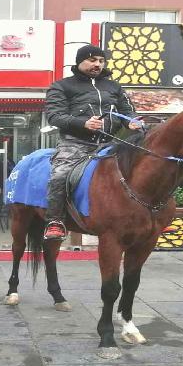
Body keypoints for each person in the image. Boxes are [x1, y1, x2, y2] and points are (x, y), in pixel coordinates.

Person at [43, 44, 139, 240]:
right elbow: (54, 116)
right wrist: (82, 123)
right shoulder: (61, 86)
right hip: (75, 144)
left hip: (110, 144)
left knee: (143, 169)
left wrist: (131, 122)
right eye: (92, 60)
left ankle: (148, 217)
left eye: (101, 61)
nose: (98, 64)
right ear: (80, 62)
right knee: (59, 176)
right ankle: (55, 221)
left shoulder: (114, 87)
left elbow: (127, 111)